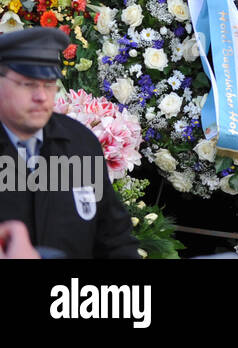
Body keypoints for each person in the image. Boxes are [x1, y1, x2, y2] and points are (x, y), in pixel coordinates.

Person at [0, 27, 139, 259]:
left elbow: (114, 239)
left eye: (48, 84)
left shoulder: (79, 143)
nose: (41, 96)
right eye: (28, 84)